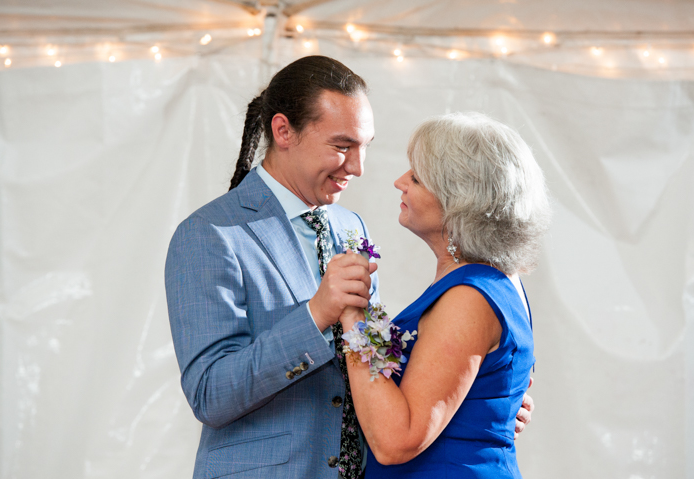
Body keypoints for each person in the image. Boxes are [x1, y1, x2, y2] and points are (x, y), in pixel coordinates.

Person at [165, 56, 533, 479]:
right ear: (283, 131)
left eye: (364, 147)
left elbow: (373, 358)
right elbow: (210, 395)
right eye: (342, 146)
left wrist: (477, 396)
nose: (358, 168)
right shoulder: (210, 234)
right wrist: (315, 314)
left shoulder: (349, 225)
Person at [339, 112, 551, 478]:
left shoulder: (469, 297)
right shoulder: (497, 281)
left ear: (459, 200)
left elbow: (396, 441)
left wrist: (353, 319)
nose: (399, 182)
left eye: (417, 177)